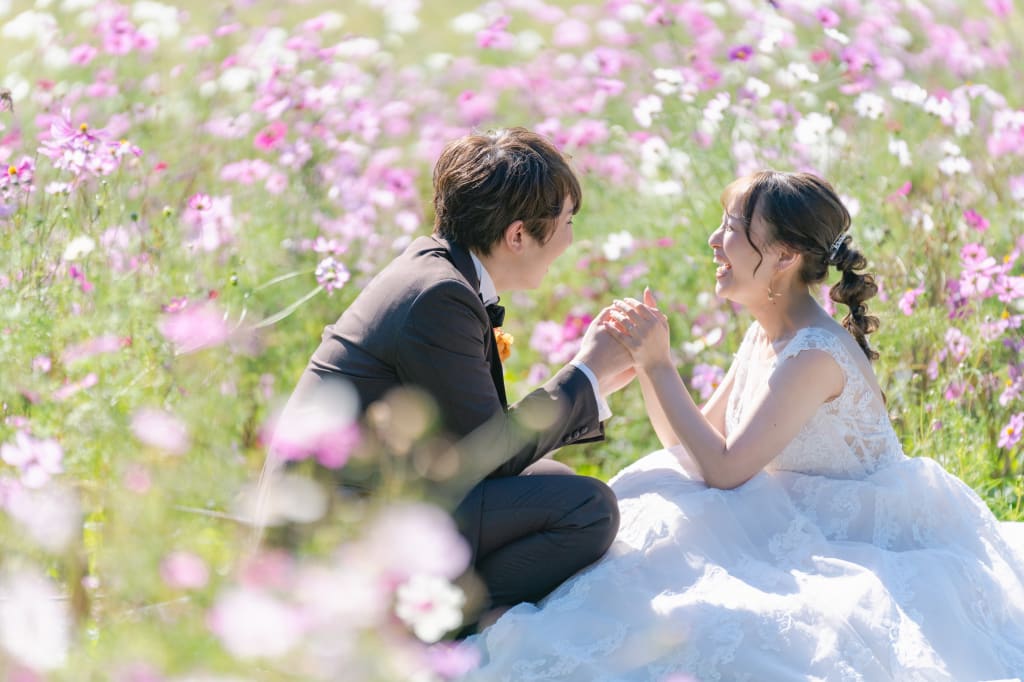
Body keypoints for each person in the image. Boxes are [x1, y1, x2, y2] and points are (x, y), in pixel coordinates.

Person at [464, 170, 1024, 680]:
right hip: (791, 513)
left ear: (783, 256)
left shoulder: (813, 353)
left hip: (849, 533)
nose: (714, 239)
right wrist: (647, 364)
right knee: (656, 519)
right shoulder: (767, 331)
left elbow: (726, 469)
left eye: (731, 227)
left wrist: (661, 365)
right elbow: (689, 445)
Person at [268, 127, 635, 626]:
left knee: (553, 482)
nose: (571, 237)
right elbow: (489, 448)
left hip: (374, 493)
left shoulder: (438, 271)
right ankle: (431, 628)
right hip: (339, 529)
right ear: (518, 234)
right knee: (588, 509)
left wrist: (593, 382)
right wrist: (587, 373)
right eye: (568, 220)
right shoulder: (439, 296)